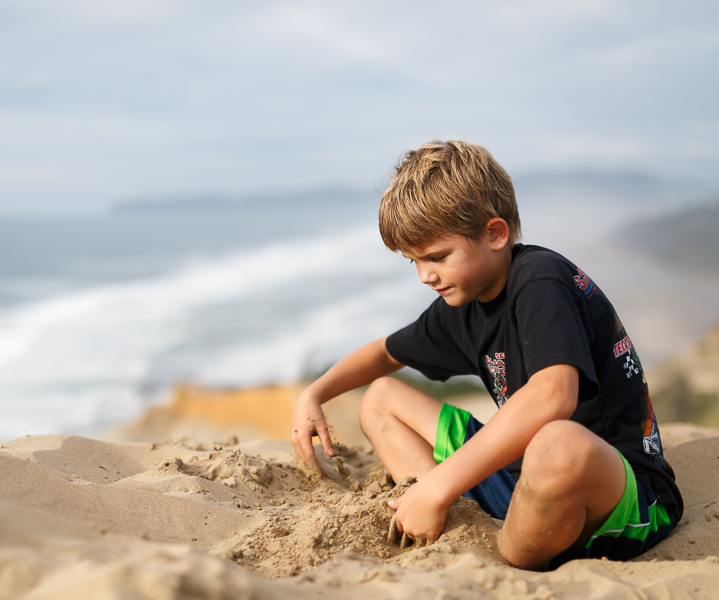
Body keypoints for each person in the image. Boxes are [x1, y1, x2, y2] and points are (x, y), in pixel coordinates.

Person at [289, 140, 682, 570]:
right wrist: (314, 394)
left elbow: (555, 395)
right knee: (382, 397)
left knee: (557, 444)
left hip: (618, 497)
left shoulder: (539, 280)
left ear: (495, 234)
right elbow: (384, 355)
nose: (425, 276)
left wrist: (439, 482)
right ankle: (457, 523)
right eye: (414, 262)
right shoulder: (463, 302)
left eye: (437, 256)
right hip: (522, 481)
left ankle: (504, 546)